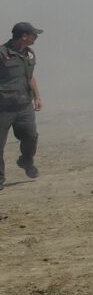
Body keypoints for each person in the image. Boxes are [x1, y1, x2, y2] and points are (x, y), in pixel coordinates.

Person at [0, 22, 44, 190]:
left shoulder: (29, 54)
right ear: (24, 36)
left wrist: (37, 96)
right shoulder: (2, 53)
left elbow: (30, 76)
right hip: (3, 108)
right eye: (34, 35)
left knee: (31, 137)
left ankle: (26, 160)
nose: (36, 38)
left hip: (24, 105)